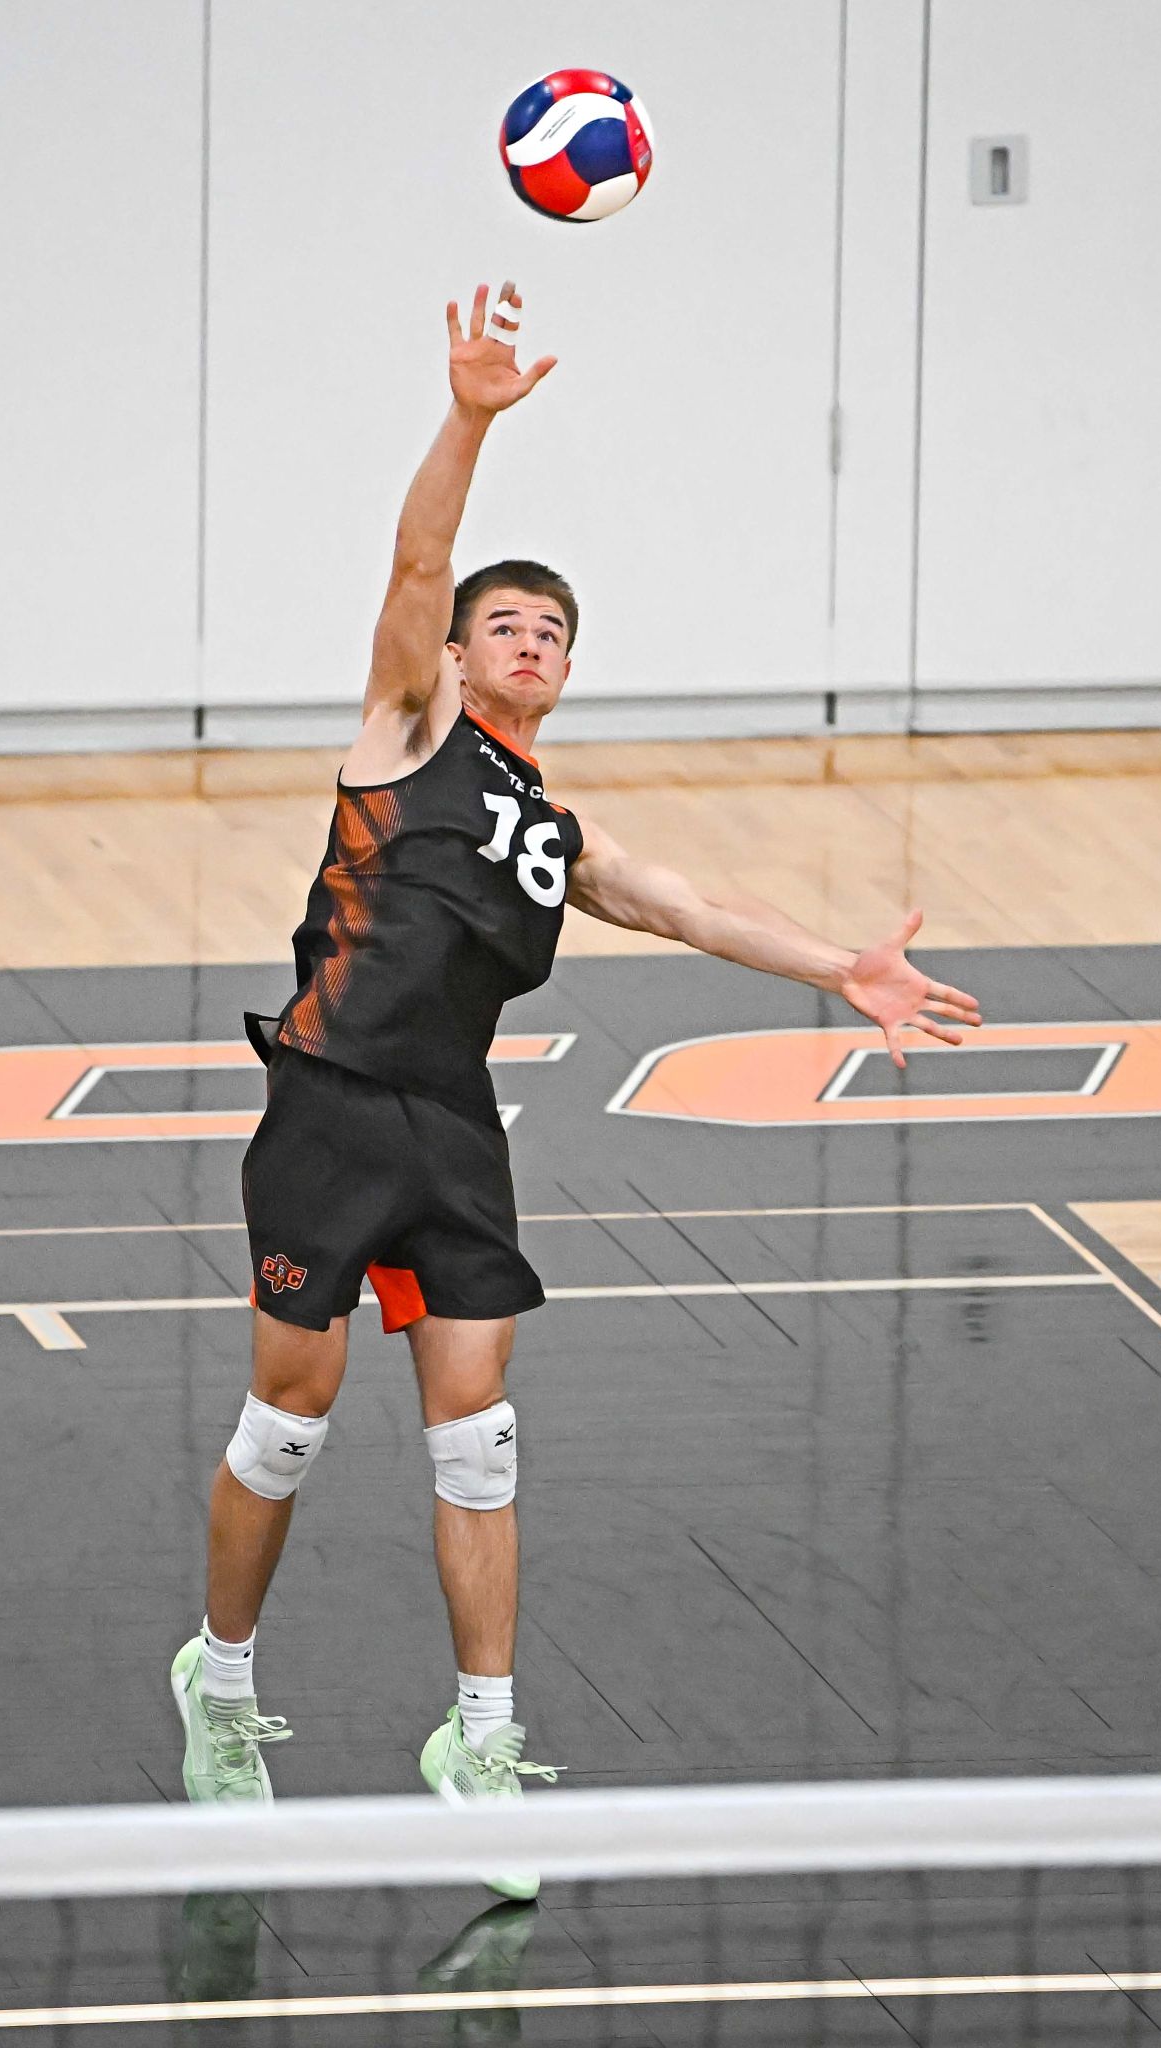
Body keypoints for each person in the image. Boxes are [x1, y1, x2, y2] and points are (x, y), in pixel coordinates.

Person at [171, 282, 983, 1899]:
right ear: (456, 655)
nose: (530, 643)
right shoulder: (405, 733)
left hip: (453, 1133)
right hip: (330, 1107)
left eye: (554, 633)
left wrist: (843, 967)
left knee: (480, 1445)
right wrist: (469, 415)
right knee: (289, 1424)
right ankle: (223, 1682)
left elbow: (689, 907)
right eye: (507, 626)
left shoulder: (557, 832)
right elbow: (416, 560)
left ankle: (480, 1743)